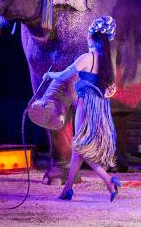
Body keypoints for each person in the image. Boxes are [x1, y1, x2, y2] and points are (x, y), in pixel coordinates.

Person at [43, 16, 121, 202]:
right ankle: (67, 190)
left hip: (86, 106)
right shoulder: (105, 61)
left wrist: (49, 74)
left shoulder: (87, 58)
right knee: (79, 149)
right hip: (99, 108)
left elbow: (64, 75)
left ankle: (109, 181)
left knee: (81, 147)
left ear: (93, 38)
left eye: (88, 34)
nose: (86, 37)